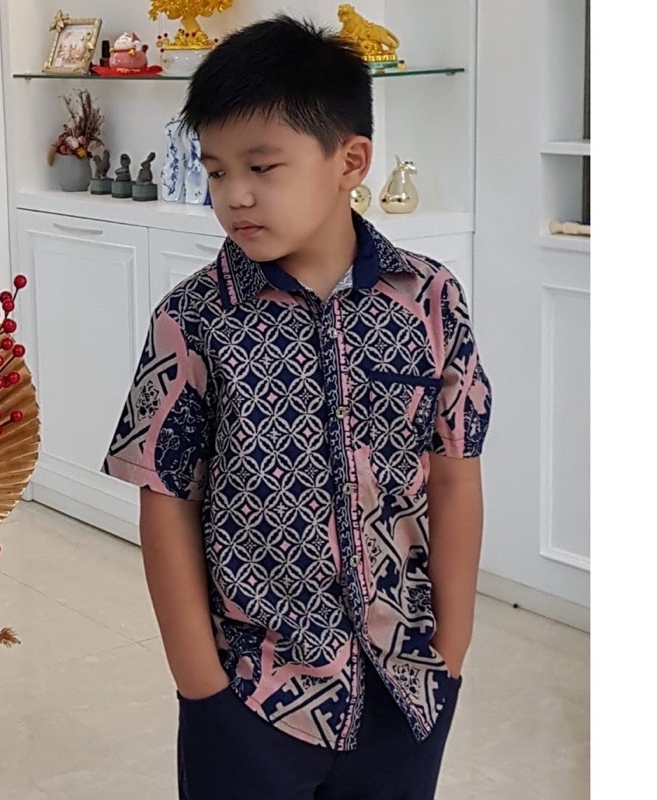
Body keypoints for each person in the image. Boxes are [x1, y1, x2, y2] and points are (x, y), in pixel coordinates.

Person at [103, 14, 492, 800]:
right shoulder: (194, 319)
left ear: (350, 161)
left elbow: (455, 475)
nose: (234, 196)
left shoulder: (430, 300)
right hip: (250, 699)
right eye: (216, 171)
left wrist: (450, 654)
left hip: (405, 689)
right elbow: (165, 501)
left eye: (262, 166)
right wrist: (202, 690)